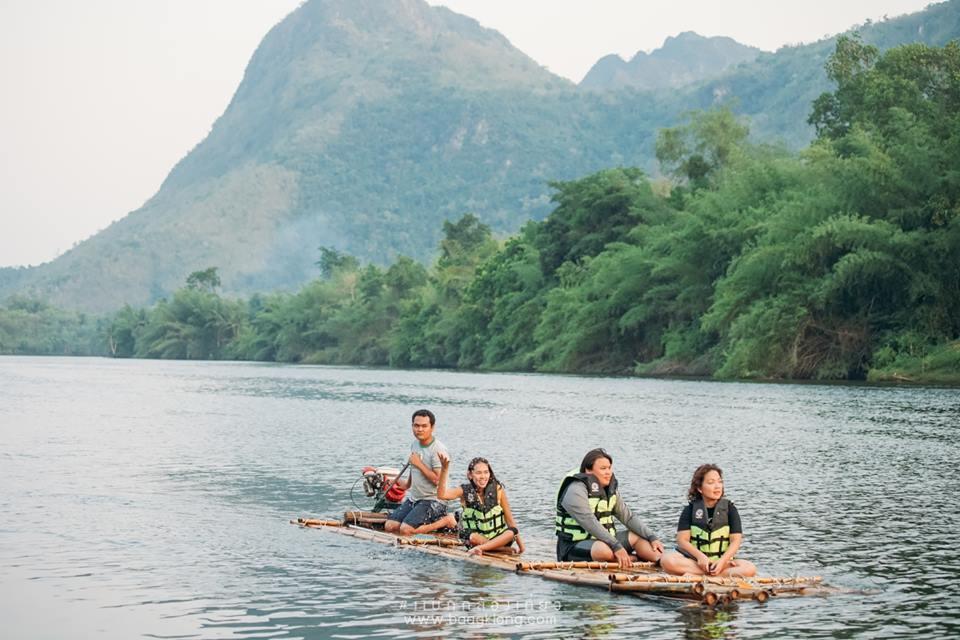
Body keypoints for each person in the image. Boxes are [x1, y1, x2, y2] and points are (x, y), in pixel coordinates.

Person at [555, 448, 664, 568]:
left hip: (607, 541)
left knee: (639, 536)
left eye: (609, 468)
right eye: (603, 469)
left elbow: (628, 517)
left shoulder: (609, 489)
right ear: (588, 470)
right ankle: (630, 559)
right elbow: (589, 521)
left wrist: (651, 536)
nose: (608, 472)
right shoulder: (575, 489)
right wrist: (616, 546)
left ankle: (661, 560)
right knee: (603, 550)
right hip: (574, 546)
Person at [660, 464, 757, 577]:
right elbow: (682, 540)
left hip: (722, 562)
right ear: (700, 488)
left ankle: (707, 573)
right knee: (667, 560)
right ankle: (716, 574)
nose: (717, 486)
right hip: (696, 562)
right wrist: (700, 557)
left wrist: (722, 561)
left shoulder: (730, 509)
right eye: (711, 483)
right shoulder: (690, 510)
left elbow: (736, 541)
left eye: (719, 482)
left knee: (749, 568)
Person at [436, 452, 525, 556]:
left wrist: (521, 547)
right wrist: (444, 469)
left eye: (486, 472)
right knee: (470, 536)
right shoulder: (464, 491)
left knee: (512, 532)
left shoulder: (498, 489)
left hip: (497, 538)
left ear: (490, 474)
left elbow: (510, 520)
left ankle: (486, 548)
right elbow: (441, 495)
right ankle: (500, 549)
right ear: (470, 475)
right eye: (478, 473)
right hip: (475, 540)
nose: (483, 476)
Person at [384, 409, 456, 535]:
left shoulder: (438, 450)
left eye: (424, 426)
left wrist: (419, 464)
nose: (420, 429)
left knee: (406, 530)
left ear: (432, 427)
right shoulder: (415, 444)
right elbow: (413, 470)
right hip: (415, 499)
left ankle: (446, 520)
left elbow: (437, 481)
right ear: (412, 426)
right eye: (416, 425)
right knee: (390, 526)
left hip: (434, 501)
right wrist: (403, 484)